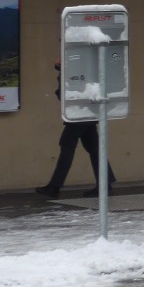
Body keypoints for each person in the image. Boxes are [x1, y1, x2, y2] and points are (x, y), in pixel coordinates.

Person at [36, 60, 116, 199]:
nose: (56, 60)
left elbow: (65, 94)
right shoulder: (81, 68)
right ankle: (106, 185)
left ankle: (54, 186)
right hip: (87, 113)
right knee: (94, 149)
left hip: (79, 114)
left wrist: (61, 76)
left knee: (67, 145)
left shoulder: (73, 70)